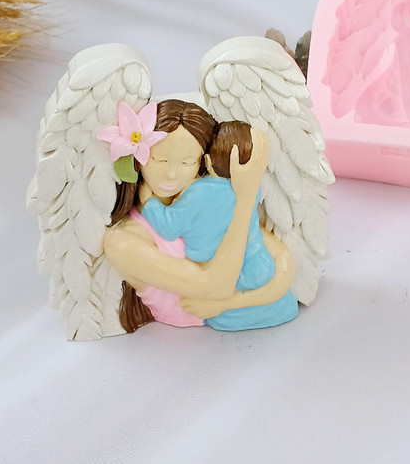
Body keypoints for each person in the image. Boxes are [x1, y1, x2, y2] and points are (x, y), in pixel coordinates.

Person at [102, 100, 295, 332]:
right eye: (160, 159)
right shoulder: (122, 241)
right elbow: (217, 286)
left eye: (187, 162)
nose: (172, 173)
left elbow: (283, 260)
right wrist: (245, 200)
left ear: (203, 163)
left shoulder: (208, 202)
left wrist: (232, 303)